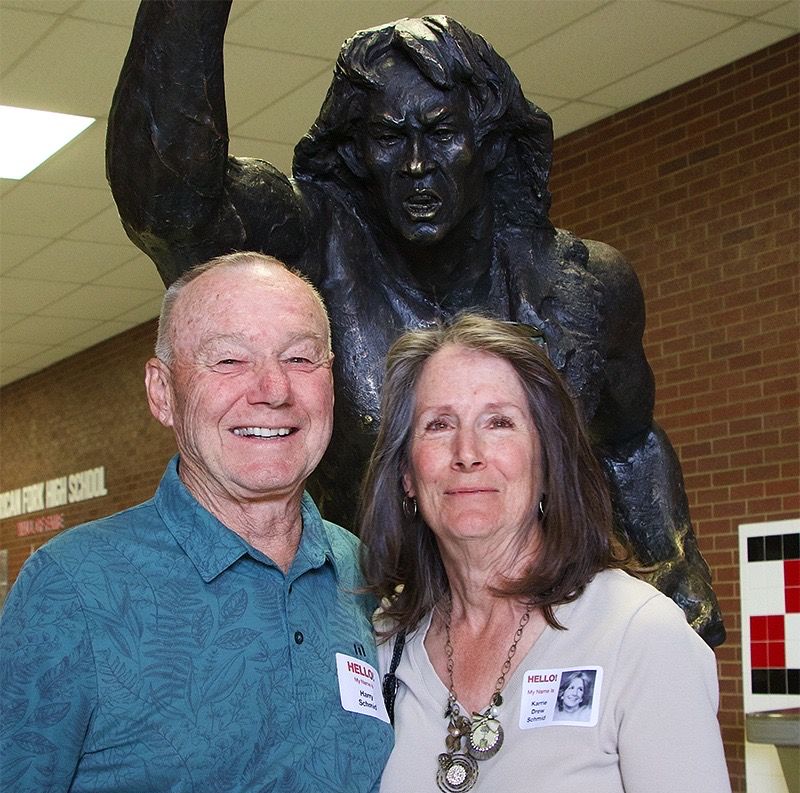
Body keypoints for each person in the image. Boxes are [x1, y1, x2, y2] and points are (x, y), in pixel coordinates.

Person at [106, 4, 725, 646]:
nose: (416, 164)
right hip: (361, 637)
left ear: (488, 143)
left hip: (539, 629)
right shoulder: (312, 250)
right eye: (388, 137)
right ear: (356, 152)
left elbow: (628, 441)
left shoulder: (582, 288)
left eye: (441, 131)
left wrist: (675, 563)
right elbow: (169, 208)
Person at [0, 253, 393, 793]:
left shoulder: (357, 570)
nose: (273, 389)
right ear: (163, 392)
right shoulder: (73, 588)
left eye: (300, 358)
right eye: (229, 359)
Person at [359, 314, 731, 793]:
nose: (467, 452)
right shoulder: (386, 644)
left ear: (546, 462)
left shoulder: (639, 635)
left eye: (499, 422)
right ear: (407, 474)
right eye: (439, 425)